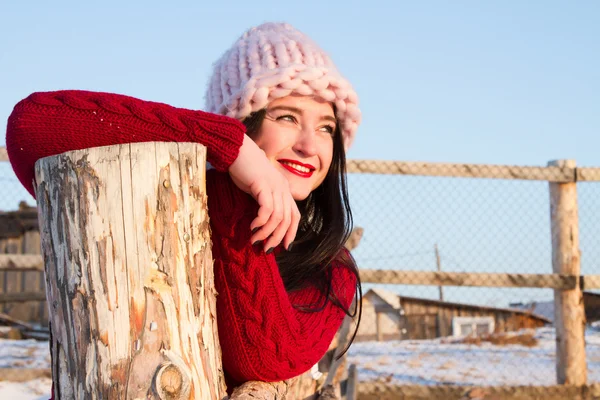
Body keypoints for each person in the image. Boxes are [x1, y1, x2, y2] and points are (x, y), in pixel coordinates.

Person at [5, 22, 362, 395]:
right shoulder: (169, 193)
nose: (310, 145)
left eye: (326, 127)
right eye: (287, 117)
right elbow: (30, 125)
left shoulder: (331, 267)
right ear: (242, 124)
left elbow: (269, 356)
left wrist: (231, 196)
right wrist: (229, 147)